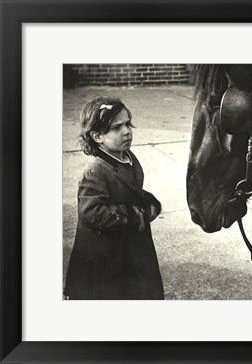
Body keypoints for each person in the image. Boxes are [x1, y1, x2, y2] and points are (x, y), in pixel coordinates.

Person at [64, 96, 164, 300]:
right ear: (97, 136)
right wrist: (131, 215)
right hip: (106, 254)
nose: (127, 131)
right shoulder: (97, 170)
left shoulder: (127, 156)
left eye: (128, 124)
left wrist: (145, 200)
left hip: (131, 245)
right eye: (116, 128)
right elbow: (90, 212)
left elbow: (129, 190)